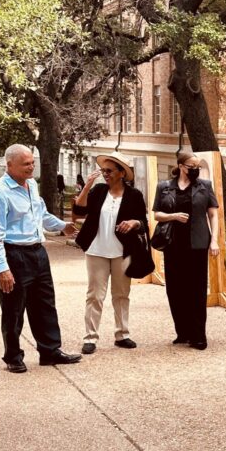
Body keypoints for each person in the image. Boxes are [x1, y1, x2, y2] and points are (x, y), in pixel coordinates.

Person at [0, 144, 81, 373]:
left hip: (38, 252)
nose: (31, 167)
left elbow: (41, 213)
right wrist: (2, 269)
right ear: (9, 166)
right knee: (13, 309)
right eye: (26, 164)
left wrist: (61, 226)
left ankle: (50, 351)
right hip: (14, 254)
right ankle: (13, 356)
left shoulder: (32, 185)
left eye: (32, 163)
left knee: (45, 305)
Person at [72, 152, 149, 355]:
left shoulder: (134, 195)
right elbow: (79, 210)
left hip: (122, 252)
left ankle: (122, 334)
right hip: (97, 250)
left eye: (109, 171)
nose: (105, 174)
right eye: (103, 171)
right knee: (95, 296)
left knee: (121, 294)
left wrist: (134, 223)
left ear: (122, 173)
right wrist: (87, 185)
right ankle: (90, 337)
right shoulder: (98, 190)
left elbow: (144, 224)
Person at [152, 152, 220, 350]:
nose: (195, 169)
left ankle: (199, 336)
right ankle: (182, 332)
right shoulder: (164, 187)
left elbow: (213, 215)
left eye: (197, 166)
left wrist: (214, 240)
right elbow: (157, 214)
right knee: (175, 290)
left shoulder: (204, 186)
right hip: (173, 244)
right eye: (192, 165)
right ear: (181, 166)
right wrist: (173, 216)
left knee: (197, 291)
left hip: (197, 244)